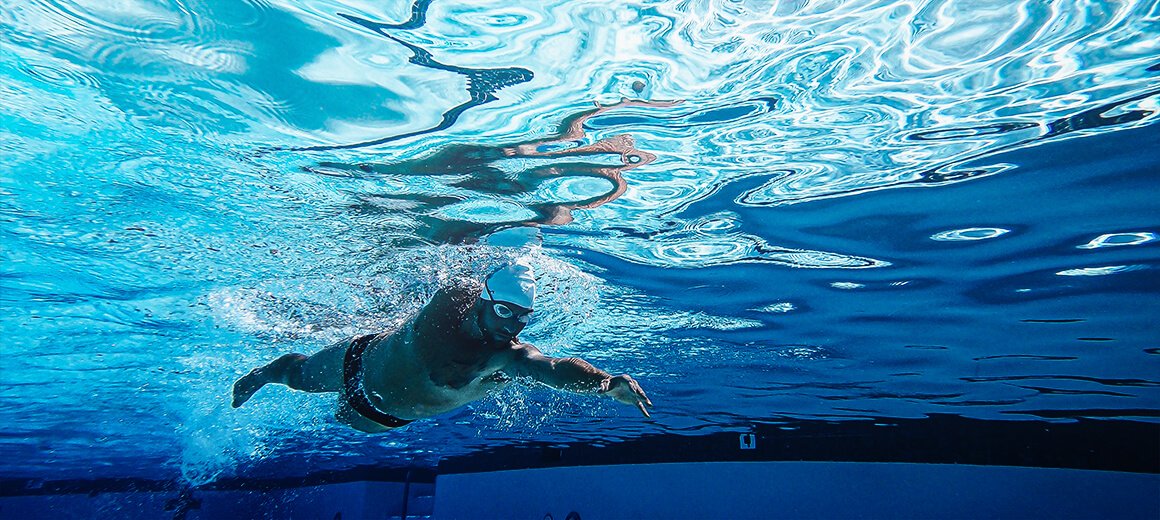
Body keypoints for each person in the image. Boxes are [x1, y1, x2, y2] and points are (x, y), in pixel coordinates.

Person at [231, 261, 653, 432]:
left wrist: (604, 383)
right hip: (358, 361)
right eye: (505, 313)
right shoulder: (449, 302)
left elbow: (552, 368)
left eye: (522, 318)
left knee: (340, 419)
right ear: (483, 300)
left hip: (381, 415)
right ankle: (262, 374)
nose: (513, 327)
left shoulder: (505, 356)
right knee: (298, 376)